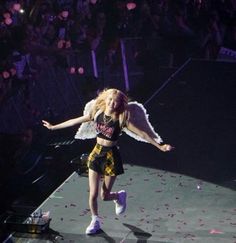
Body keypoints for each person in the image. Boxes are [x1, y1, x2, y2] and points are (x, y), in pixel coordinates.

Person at [42, 88, 173, 235]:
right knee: (93, 194)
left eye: (115, 102)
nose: (112, 103)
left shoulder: (122, 119)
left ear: (119, 104)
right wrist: (53, 127)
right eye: (110, 99)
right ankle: (95, 220)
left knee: (104, 196)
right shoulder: (97, 113)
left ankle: (118, 196)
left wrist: (159, 146)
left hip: (111, 157)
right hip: (96, 154)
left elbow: (143, 133)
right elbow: (74, 121)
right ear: (105, 99)